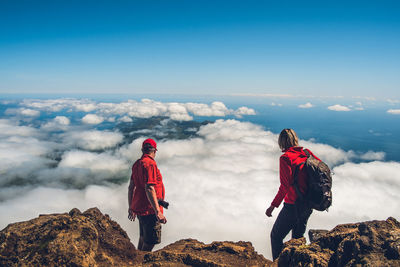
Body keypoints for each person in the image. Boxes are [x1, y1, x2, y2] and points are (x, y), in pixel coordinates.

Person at [265, 128, 321, 260]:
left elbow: (285, 186)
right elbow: (323, 168)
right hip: (308, 204)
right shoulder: (307, 153)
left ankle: (278, 263)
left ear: (281, 142)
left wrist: (272, 206)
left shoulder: (285, 158)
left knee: (276, 236)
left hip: (293, 206)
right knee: (297, 239)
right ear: (295, 139)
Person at [128, 138, 167, 252]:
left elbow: (131, 187)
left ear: (143, 150)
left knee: (143, 237)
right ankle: (141, 262)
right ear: (154, 151)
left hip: (139, 207)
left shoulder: (137, 164)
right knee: (151, 241)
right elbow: (149, 188)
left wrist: (131, 207)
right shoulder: (150, 164)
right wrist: (157, 211)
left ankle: (136, 259)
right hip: (149, 209)